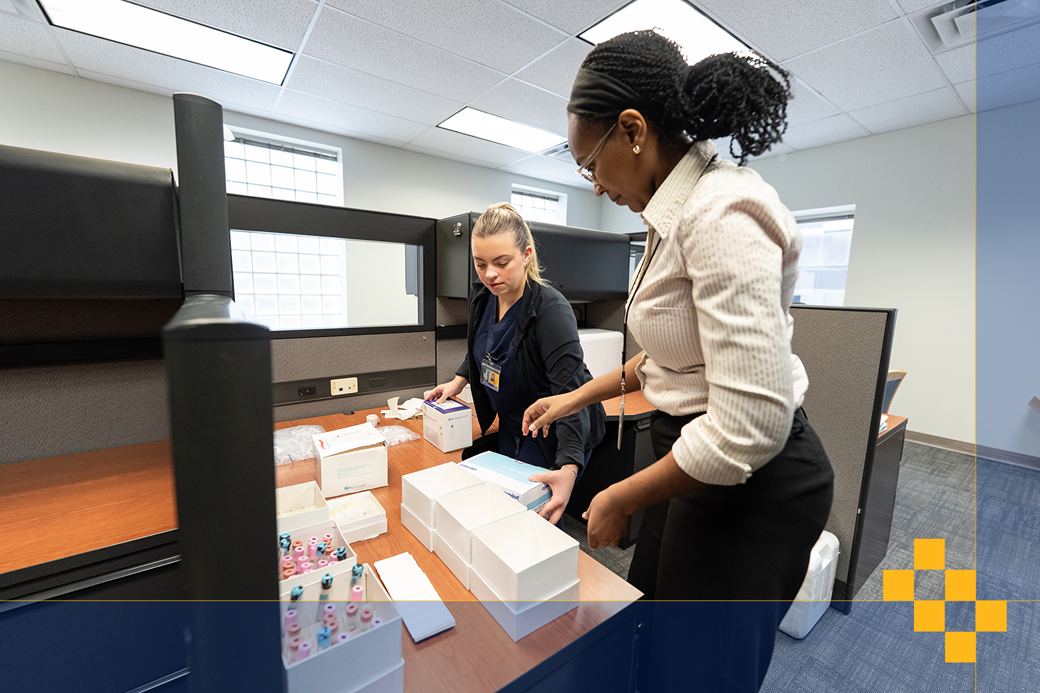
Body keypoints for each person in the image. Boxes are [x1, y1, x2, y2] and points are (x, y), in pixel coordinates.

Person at [521, 31, 834, 691]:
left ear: (633, 130)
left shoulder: (721, 213)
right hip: (696, 461)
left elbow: (749, 426)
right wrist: (575, 397)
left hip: (755, 480)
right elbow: (671, 359)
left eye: (589, 164)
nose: (594, 186)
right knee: (652, 631)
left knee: (698, 673)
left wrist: (618, 493)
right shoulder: (672, 214)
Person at [427, 203, 605, 525]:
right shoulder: (483, 297)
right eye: (480, 264)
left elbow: (571, 395)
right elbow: (485, 346)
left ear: (526, 254)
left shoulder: (550, 312)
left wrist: (568, 467)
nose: (489, 274)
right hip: (512, 422)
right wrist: (459, 380)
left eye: (501, 262)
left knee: (535, 517)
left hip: (554, 429)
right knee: (504, 508)